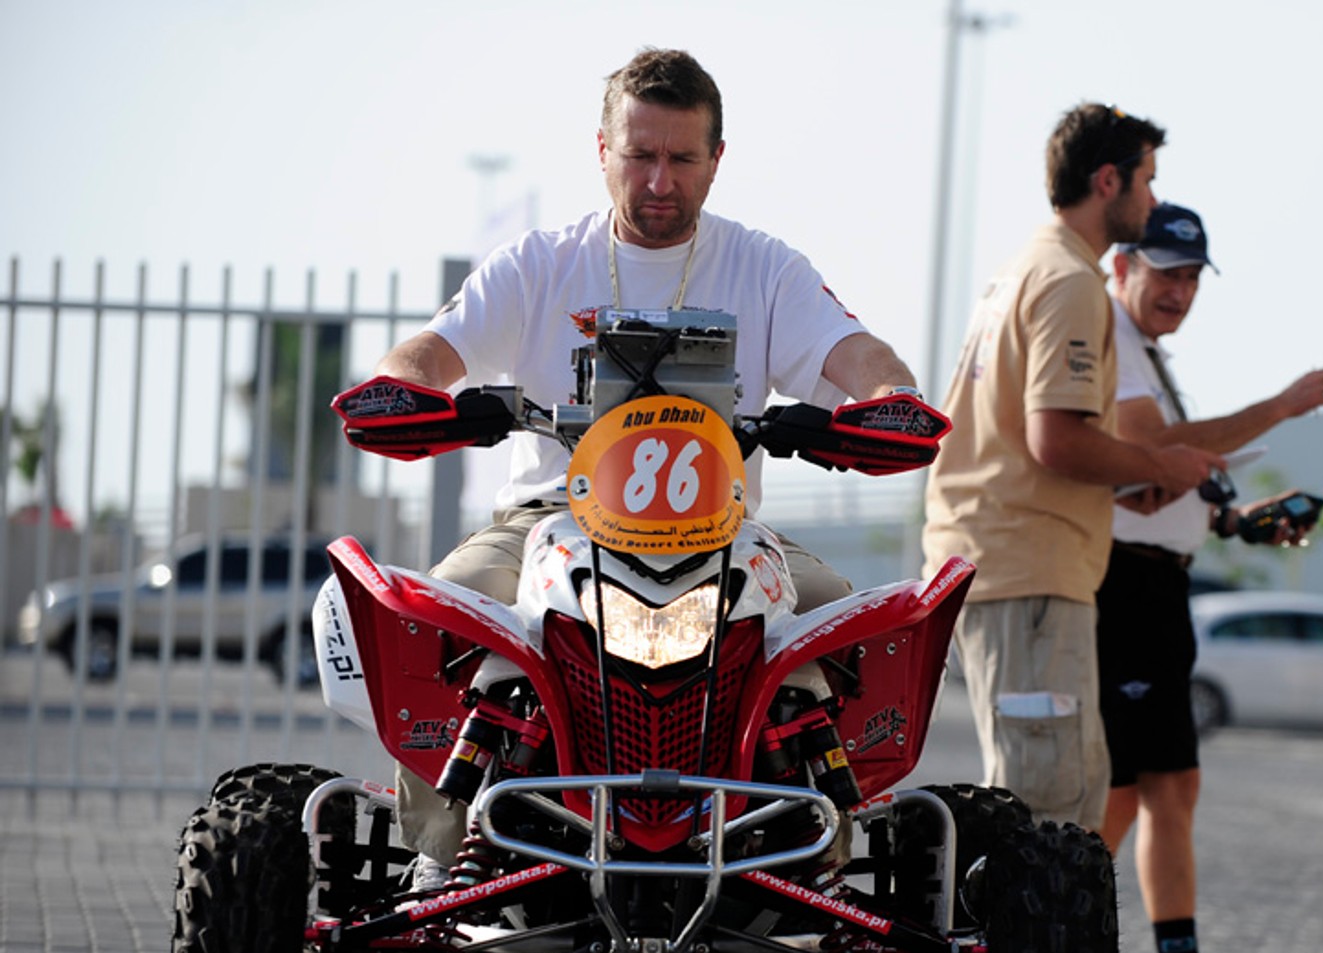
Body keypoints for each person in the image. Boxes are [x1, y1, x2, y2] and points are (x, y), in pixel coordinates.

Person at [374, 48, 920, 870]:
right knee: (435, 614)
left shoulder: (765, 266)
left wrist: (888, 398)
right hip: (546, 520)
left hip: (725, 526)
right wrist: (401, 386)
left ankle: (828, 871)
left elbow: (861, 354)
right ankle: (434, 869)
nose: (659, 182)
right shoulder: (537, 263)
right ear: (602, 153)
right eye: (639, 156)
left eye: (681, 158)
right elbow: (428, 352)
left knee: (842, 632)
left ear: (716, 162)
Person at [921, 103, 1220, 836]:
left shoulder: (1025, 268)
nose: (1151, 201)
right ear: (1108, 179)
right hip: (1027, 569)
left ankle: (1028, 952)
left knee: (1066, 799)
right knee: (1042, 811)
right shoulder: (1070, 281)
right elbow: (1056, 439)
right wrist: (1161, 463)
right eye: (1147, 181)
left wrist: (1132, 473)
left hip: (1011, 564)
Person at [1095, 203, 1323, 953]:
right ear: (1122, 266)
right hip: (1122, 590)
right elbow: (1147, 448)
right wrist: (1279, 407)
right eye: (1164, 271)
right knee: (1124, 795)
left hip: (1157, 586)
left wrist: (1242, 519)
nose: (1179, 289)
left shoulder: (1149, 354)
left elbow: (1161, 484)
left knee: (1158, 789)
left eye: (1192, 276)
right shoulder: (1113, 340)